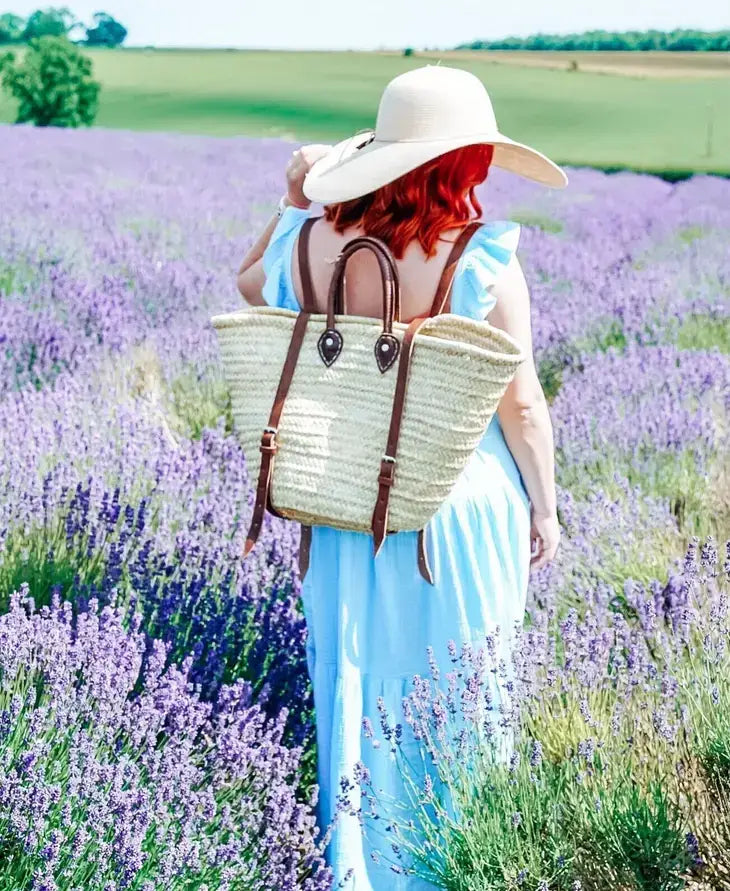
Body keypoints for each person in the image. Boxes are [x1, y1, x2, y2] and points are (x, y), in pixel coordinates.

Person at [236, 65, 563, 890]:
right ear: (466, 162)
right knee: (462, 695)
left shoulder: (311, 239)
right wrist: (547, 508)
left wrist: (293, 198)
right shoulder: (481, 254)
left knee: (358, 682)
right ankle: (455, 867)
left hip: (344, 498)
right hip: (450, 505)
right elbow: (521, 406)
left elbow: (249, 286)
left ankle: (359, 868)